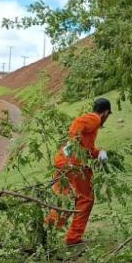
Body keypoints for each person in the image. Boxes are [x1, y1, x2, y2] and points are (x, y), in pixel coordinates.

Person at [45, 97, 111, 246]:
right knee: (85, 199)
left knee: (63, 199)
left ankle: (45, 231)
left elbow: (86, 148)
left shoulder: (91, 128)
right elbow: (78, 123)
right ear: (106, 113)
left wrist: (98, 152)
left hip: (62, 161)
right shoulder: (94, 119)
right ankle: (73, 238)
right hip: (73, 163)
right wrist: (72, 142)